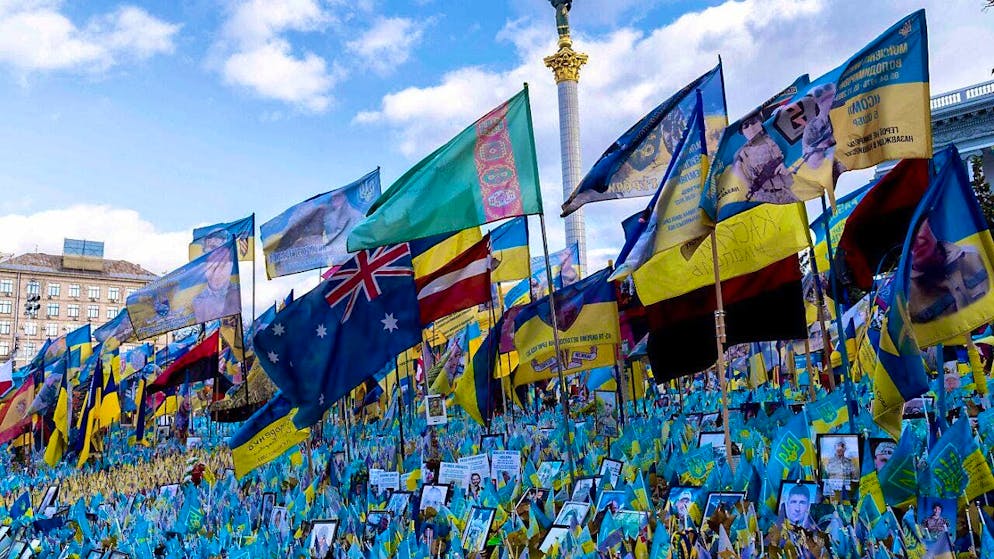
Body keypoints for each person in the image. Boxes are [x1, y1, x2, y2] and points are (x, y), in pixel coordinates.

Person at [908, 219, 990, 323]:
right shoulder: (907, 299)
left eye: (917, 226)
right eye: (906, 235)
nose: (916, 239)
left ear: (928, 223)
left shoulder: (977, 256)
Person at [734, 112, 797, 204]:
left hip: (789, 190)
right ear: (742, 132)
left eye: (753, 122)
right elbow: (737, 171)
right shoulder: (743, 153)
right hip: (766, 197)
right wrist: (749, 185)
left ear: (760, 122)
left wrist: (788, 165)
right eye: (746, 126)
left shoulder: (777, 136)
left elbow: (797, 150)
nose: (751, 127)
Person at [191, 243, 239, 322]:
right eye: (212, 268)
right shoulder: (195, 302)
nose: (216, 274)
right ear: (204, 269)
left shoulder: (237, 295)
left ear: (230, 268)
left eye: (222, 267)